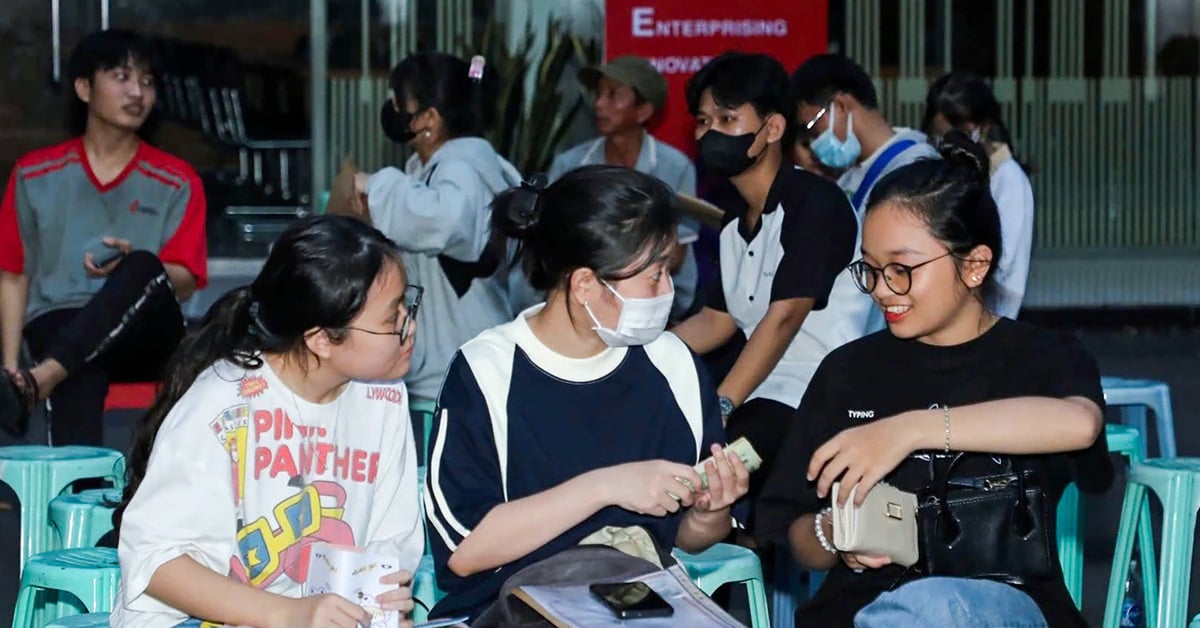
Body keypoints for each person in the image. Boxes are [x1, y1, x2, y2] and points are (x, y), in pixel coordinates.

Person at [756, 133, 1111, 627]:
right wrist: (831, 533)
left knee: (937, 608)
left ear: (975, 265)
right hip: (860, 609)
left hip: (1004, 608)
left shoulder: (1040, 357)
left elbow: (1079, 424)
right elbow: (793, 530)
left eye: (902, 269)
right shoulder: (849, 371)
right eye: (872, 269)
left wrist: (909, 430)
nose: (883, 290)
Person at [424, 166, 748, 621]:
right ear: (584, 285)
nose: (668, 292)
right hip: (505, 605)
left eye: (668, 271)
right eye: (653, 277)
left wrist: (711, 509)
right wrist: (606, 486)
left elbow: (687, 538)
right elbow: (466, 551)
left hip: (633, 602)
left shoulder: (672, 365)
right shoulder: (487, 371)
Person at [112, 215, 425, 627]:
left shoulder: (381, 396)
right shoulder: (224, 403)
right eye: (392, 319)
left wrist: (382, 611)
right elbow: (153, 560)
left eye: (406, 304)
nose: (409, 325)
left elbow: (388, 546)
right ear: (321, 340)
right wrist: (289, 614)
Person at [671, 52, 865, 508]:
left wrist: (719, 407)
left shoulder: (815, 203)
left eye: (727, 117)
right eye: (702, 119)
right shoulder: (736, 223)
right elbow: (716, 321)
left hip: (815, 397)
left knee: (706, 478)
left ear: (773, 129)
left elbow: (783, 318)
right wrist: (639, 351)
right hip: (761, 392)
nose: (709, 132)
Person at [0, 29, 207, 443]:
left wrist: (136, 265)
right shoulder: (34, 174)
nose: (137, 93)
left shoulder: (176, 179)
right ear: (83, 88)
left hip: (148, 333)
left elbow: (184, 281)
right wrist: (8, 367)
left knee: (143, 263)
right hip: (58, 320)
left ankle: (42, 379)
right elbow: (13, 275)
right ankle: (83, 500)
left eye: (147, 82)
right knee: (80, 363)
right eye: (121, 77)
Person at [341, 51, 521, 410]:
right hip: (455, 362)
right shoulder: (446, 166)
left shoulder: (462, 167)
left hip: (459, 366)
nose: (392, 108)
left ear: (428, 119)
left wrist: (377, 185)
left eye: (398, 100)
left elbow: (445, 221)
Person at [548, 56, 700, 321]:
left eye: (613, 95)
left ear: (643, 111)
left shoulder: (675, 167)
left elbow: (675, 256)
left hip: (659, 309)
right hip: (582, 302)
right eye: (599, 94)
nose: (599, 104)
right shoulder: (570, 165)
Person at [922, 71, 1034, 319]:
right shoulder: (938, 167)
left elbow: (1003, 265)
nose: (946, 142)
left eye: (956, 133)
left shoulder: (1007, 178)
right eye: (939, 134)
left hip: (987, 315)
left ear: (981, 126)